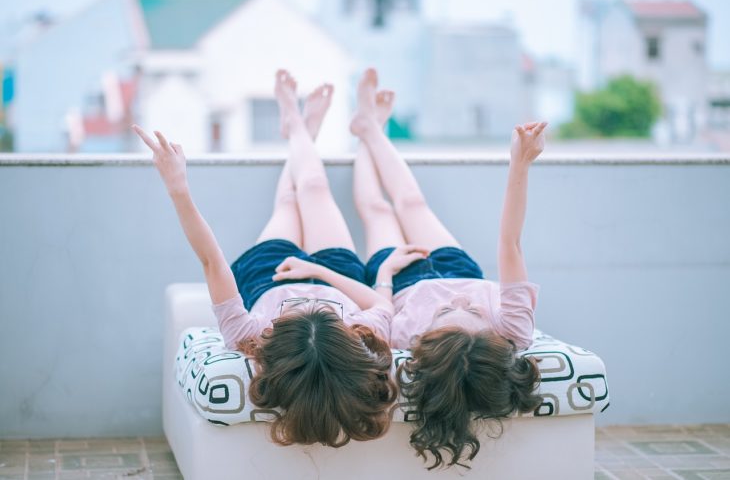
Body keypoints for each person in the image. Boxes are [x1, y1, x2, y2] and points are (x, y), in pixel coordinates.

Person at [132, 69, 397, 448]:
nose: (308, 302)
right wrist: (317, 270)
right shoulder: (362, 336)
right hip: (335, 272)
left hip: (269, 275)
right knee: (315, 187)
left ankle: (296, 123)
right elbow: (380, 302)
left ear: (275, 334)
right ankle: (300, 128)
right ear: (344, 336)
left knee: (290, 198)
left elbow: (211, 261)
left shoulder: (249, 336)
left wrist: (179, 189)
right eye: (321, 313)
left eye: (296, 312)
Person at [350, 68, 545, 469]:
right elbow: (510, 243)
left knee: (377, 210)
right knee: (411, 202)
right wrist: (519, 164)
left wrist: (385, 272)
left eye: (445, 313)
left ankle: (366, 131)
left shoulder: (405, 338)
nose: (457, 302)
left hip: (400, 277)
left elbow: (378, 305)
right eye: (474, 311)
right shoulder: (513, 331)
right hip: (459, 267)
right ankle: (371, 128)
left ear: (426, 343)